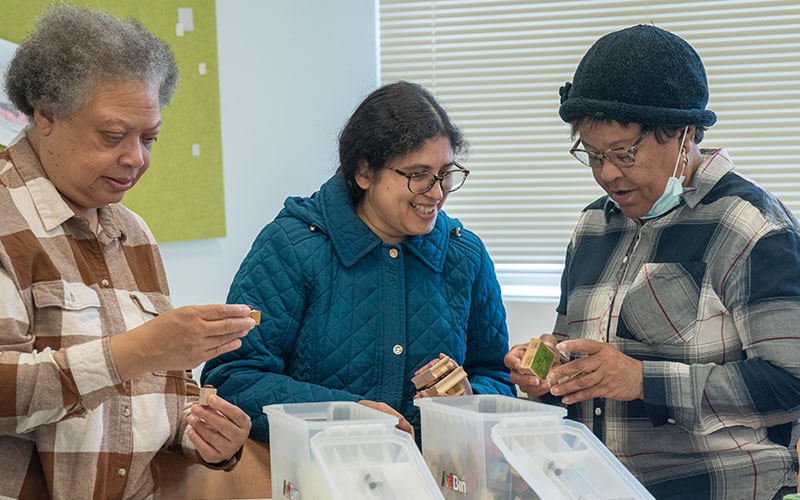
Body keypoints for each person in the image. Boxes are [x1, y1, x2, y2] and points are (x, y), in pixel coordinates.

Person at [504, 24, 800, 500]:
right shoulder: (593, 226)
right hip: (594, 485)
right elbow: (578, 349)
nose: (607, 174)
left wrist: (642, 380)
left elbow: (791, 381)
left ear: (684, 134)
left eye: (624, 154)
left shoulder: (749, 225)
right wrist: (549, 368)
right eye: (593, 155)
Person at [0, 6, 255, 499]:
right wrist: (139, 351)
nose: (136, 158)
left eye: (149, 138)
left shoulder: (133, 232)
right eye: (113, 136)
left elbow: (160, 391)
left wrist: (203, 432)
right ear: (45, 115)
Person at [202, 81, 515, 441]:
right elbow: (234, 380)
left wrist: (469, 401)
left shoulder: (466, 255)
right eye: (418, 175)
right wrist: (350, 413)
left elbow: (496, 375)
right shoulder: (290, 247)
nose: (436, 192)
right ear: (364, 172)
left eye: (445, 174)